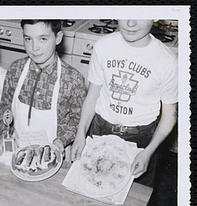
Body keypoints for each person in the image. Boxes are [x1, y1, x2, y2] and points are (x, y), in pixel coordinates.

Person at [71, 19, 178, 187]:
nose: (130, 23)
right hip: (99, 130)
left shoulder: (168, 61)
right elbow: (92, 95)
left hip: (141, 140)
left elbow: (169, 116)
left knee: (132, 203)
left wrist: (148, 152)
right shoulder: (103, 46)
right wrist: (80, 134)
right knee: (91, 189)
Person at [0, 19, 86, 155]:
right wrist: (5, 134)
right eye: (28, 39)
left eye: (42, 39)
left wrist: (61, 141)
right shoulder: (15, 70)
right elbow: (5, 106)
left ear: (58, 38)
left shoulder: (73, 79)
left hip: (54, 153)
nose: (34, 47)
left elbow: (76, 120)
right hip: (16, 148)